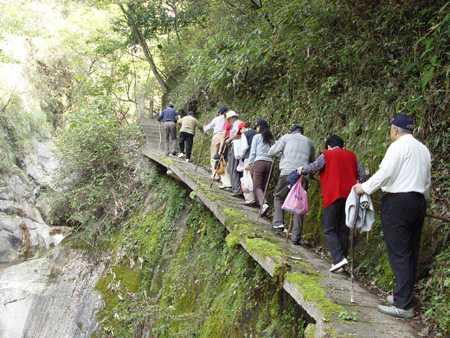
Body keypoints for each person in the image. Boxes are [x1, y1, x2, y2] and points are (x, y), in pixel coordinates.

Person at [354, 113, 431, 319]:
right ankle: (402, 295)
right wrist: (422, 200)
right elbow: (427, 181)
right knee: (410, 251)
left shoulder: (398, 146)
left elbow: (385, 172)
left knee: (399, 252)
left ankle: (403, 305)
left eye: (391, 129)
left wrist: (364, 188)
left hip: (398, 202)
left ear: (395, 130)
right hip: (418, 202)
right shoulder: (423, 149)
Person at [297, 135, 365, 272]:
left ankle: (338, 259)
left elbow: (314, 167)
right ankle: (341, 260)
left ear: (328, 146)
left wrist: (300, 170)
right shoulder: (352, 155)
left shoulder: (327, 155)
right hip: (350, 197)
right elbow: (362, 174)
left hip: (332, 195)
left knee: (329, 229)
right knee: (343, 229)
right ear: (342, 145)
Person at [268, 124, 315, 245]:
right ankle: (296, 237)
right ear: (302, 132)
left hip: (287, 173)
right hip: (302, 175)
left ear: (292, 131)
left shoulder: (286, 138)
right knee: (299, 203)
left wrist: (281, 154)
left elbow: (272, 152)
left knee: (279, 197)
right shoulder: (309, 142)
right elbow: (312, 161)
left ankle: (278, 223)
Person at [247, 119, 274, 216]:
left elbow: (253, 152)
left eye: (257, 126)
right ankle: (262, 207)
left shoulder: (257, 137)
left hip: (259, 162)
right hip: (270, 164)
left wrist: (249, 163)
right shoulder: (271, 139)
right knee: (263, 186)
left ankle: (264, 204)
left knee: (257, 186)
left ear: (260, 127)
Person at [204, 106, 228, 178]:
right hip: (225, 138)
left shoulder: (216, 119)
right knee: (222, 156)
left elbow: (207, 128)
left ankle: (215, 175)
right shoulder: (228, 119)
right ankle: (223, 175)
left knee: (214, 155)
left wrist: (204, 127)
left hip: (216, 136)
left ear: (220, 112)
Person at [223, 111, 243, 193]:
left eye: (228, 119)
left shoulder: (237, 124)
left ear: (231, 118)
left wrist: (229, 139)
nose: (228, 121)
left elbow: (238, 134)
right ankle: (237, 187)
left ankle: (236, 189)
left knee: (232, 167)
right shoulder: (240, 123)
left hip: (236, 147)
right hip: (239, 148)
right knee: (237, 168)